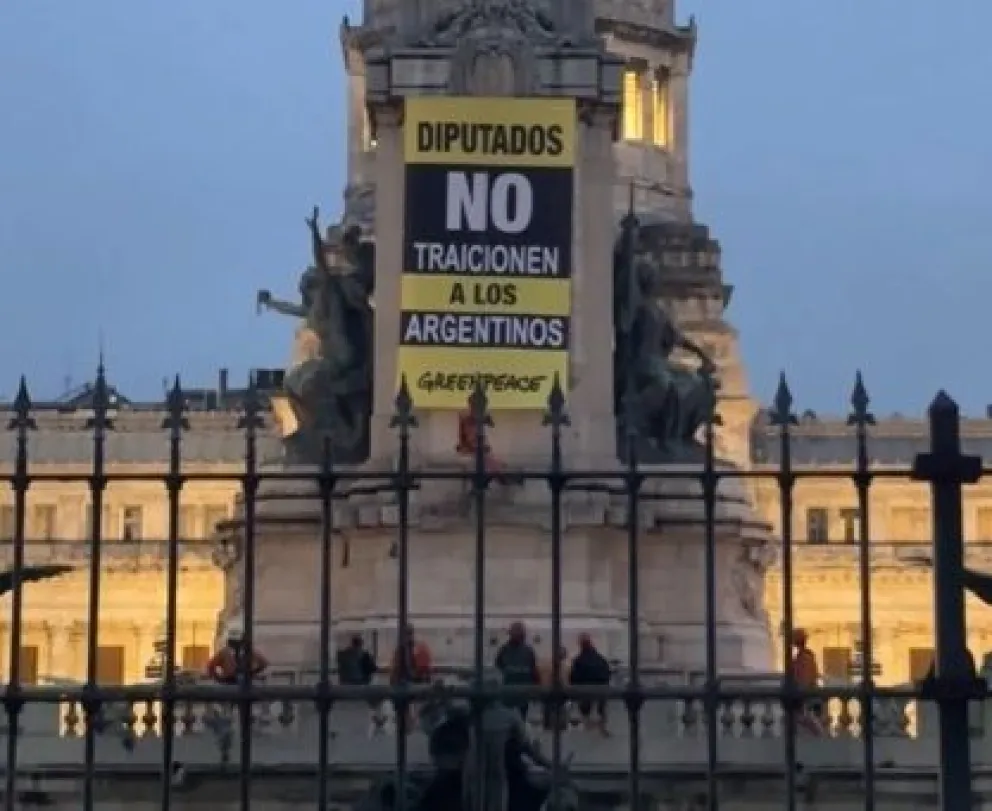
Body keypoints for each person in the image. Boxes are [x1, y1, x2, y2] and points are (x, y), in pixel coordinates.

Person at [494, 622, 540, 722]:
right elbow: (498, 669)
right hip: (510, 694)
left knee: (519, 720)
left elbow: (534, 671)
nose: (521, 636)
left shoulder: (527, 651)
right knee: (511, 720)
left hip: (520, 694)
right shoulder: (504, 650)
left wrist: (535, 689)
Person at [390, 624, 433, 730]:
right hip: (409, 681)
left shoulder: (406, 648)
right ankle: (409, 722)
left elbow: (398, 667)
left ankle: (407, 722)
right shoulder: (413, 648)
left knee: (405, 704)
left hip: (406, 681)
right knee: (407, 704)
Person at [568, 633, 612, 736]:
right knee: (600, 712)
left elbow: (574, 678)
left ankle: (589, 729)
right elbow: (607, 674)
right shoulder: (601, 659)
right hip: (601, 691)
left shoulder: (578, 660)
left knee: (586, 715)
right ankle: (601, 728)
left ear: (581, 645)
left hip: (585, 692)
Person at [337, 634, 380, 736]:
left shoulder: (342, 655)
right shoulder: (364, 655)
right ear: (361, 644)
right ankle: (376, 718)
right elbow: (373, 668)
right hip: (360, 684)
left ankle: (376, 717)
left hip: (344, 684)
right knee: (376, 696)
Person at [205, 624, 269, 686]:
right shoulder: (225, 652)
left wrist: (252, 673)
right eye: (233, 641)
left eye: (235, 641)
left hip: (242, 681)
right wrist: (219, 678)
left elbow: (264, 663)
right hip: (230, 681)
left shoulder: (249, 651)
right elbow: (210, 666)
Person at [790, 628, 824, 735]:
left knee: (811, 724)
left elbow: (805, 679)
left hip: (807, 697)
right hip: (807, 696)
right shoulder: (804, 656)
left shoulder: (804, 658)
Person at [539, 646, 569, 731]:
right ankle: (559, 726)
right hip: (556, 693)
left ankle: (548, 725)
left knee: (549, 710)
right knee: (559, 711)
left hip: (548, 692)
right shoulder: (564, 667)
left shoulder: (546, 664)